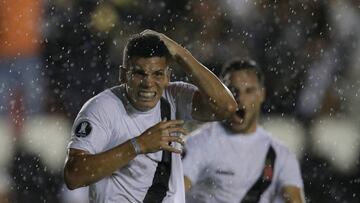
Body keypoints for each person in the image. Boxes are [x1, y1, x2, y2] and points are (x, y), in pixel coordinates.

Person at [63, 29, 237, 203]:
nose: (148, 83)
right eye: (139, 73)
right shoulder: (102, 108)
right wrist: (138, 145)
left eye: (157, 74)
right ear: (123, 74)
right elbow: (74, 175)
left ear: (167, 76)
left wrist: (181, 54)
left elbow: (226, 107)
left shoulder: (173, 97)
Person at [183, 58, 305, 203]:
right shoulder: (200, 143)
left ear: (261, 94)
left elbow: (294, 198)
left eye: (249, 90)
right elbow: (174, 192)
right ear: (222, 94)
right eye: (233, 91)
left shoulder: (280, 154)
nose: (240, 98)